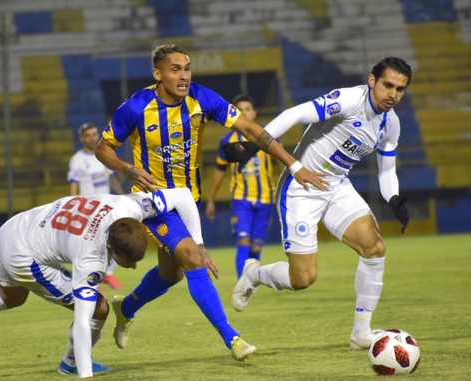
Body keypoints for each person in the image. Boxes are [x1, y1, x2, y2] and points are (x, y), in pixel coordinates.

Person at [95, 43, 326, 360]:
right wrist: (127, 168)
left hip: (189, 199)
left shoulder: (202, 99)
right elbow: (103, 148)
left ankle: (127, 306)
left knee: (170, 274)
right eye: (175, 69)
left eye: (187, 68)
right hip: (153, 201)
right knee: (193, 257)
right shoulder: (136, 107)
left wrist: (294, 164)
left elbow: (251, 130)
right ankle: (233, 339)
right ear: (157, 73)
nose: (184, 75)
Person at [0, 187, 204, 379]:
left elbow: (181, 195)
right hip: (24, 254)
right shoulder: (90, 259)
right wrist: (86, 377)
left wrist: (198, 244)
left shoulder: (127, 207)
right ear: (111, 250)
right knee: (99, 308)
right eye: (132, 261)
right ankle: (72, 364)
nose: (135, 266)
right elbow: (82, 319)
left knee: (11, 296)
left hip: (15, 227)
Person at [231, 57, 412, 350]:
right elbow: (294, 114)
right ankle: (254, 273)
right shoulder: (349, 100)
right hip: (301, 187)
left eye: (400, 89)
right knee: (303, 279)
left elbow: (387, 168)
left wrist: (394, 199)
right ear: (372, 81)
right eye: (388, 85)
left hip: (337, 186)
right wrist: (255, 144)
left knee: (374, 248)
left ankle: (360, 333)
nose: (392, 94)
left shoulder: (390, 124)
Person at [206, 95, 276, 279]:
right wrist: (211, 199)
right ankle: (241, 283)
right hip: (240, 199)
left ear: (254, 113)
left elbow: (280, 164)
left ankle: (250, 281)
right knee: (243, 240)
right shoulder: (228, 141)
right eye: (240, 109)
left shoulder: (268, 136)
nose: (244, 112)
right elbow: (220, 169)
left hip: (267, 198)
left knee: (256, 246)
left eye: (248, 109)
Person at [67, 122, 124, 289]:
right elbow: (74, 184)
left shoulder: (103, 154)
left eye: (94, 134)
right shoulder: (77, 160)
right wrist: (72, 207)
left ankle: (109, 273)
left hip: (107, 206)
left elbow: (111, 179)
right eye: (88, 135)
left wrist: (122, 196)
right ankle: (90, 276)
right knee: (89, 244)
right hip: (88, 209)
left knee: (115, 238)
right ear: (82, 138)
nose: (92, 138)